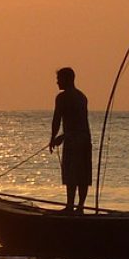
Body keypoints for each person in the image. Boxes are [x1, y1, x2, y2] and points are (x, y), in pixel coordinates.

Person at [49, 67, 92, 213]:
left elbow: (57, 119)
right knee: (82, 175)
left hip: (73, 140)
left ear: (67, 79)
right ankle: (79, 207)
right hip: (85, 139)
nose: (57, 82)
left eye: (59, 79)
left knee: (72, 174)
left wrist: (54, 138)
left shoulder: (62, 98)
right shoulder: (82, 96)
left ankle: (70, 206)